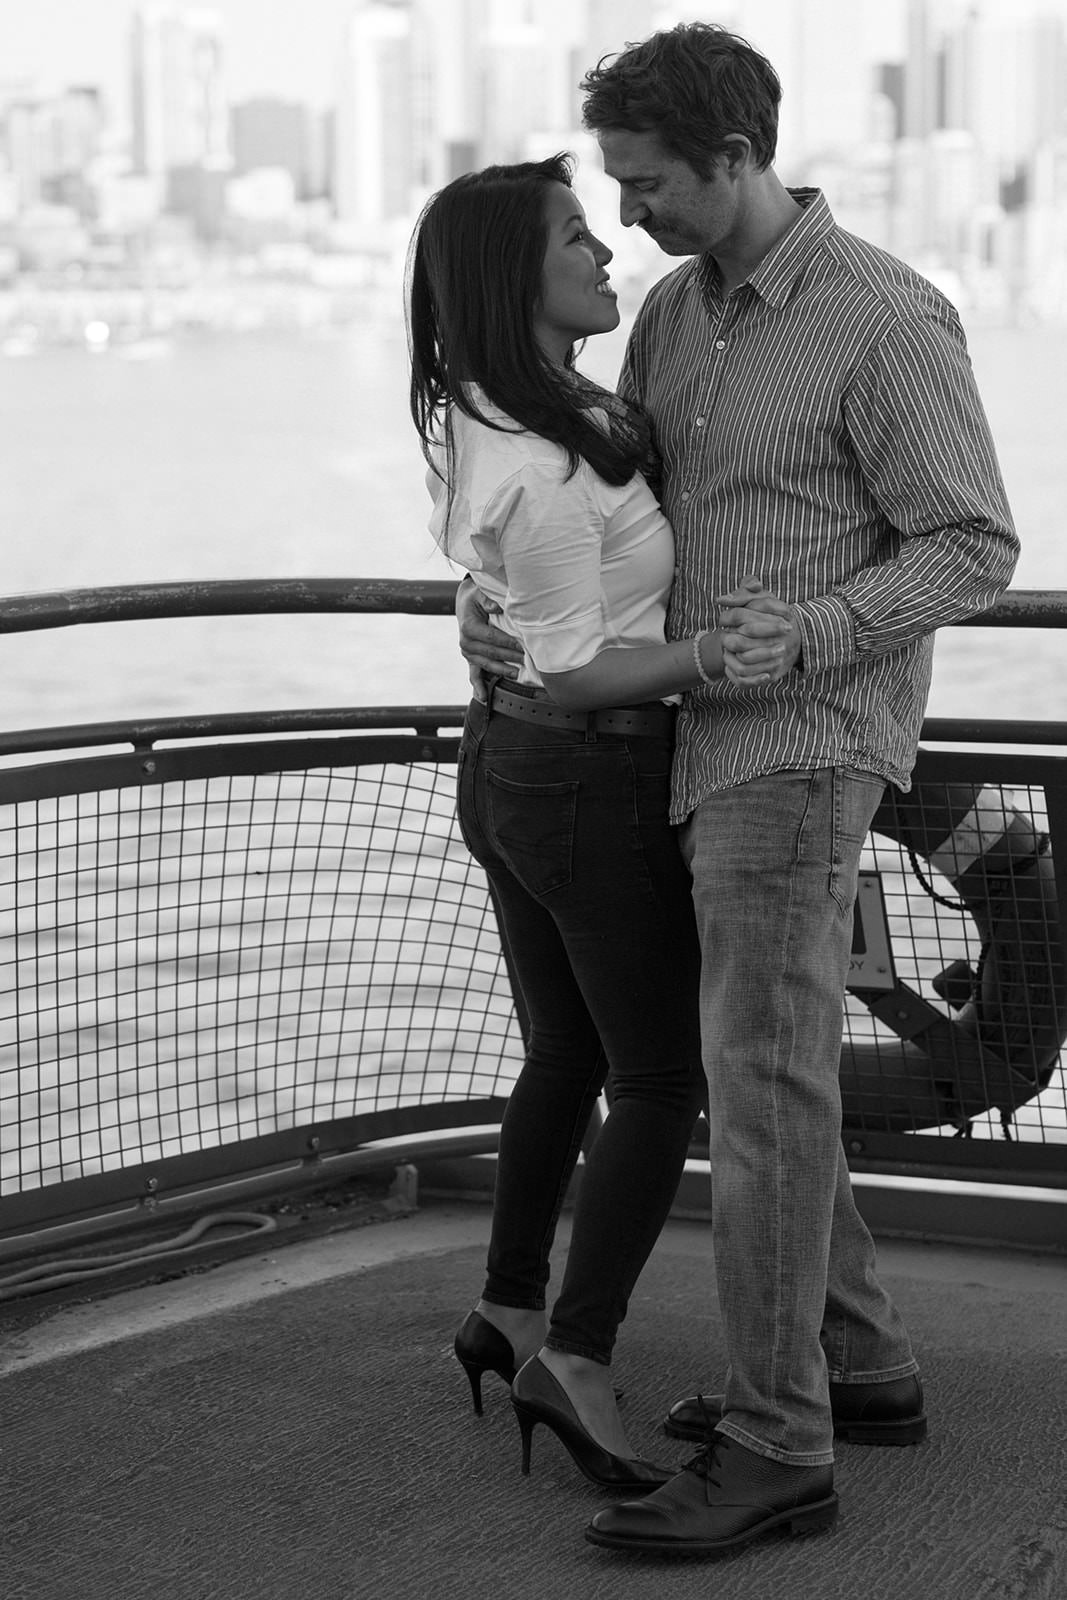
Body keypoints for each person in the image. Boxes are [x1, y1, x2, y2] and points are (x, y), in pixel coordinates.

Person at [456, 23, 1020, 1558]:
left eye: (647, 183)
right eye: (616, 187)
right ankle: (863, 1365)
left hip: (804, 744)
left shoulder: (882, 316)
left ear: (733, 155)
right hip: (688, 745)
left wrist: (815, 630)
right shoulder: (673, 316)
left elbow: (974, 542)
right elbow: (613, 511)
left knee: (759, 1092)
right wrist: (500, 605)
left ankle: (782, 1443)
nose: (627, 212)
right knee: (761, 1077)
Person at [406, 153, 791, 1494]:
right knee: (661, 1081)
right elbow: (575, 667)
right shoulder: (548, 462)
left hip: (509, 766)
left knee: (564, 1054)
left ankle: (509, 1308)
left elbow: (507, 592)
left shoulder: (491, 411)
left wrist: (491, 611)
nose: (605, 248)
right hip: (582, 771)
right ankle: (574, 1357)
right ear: (517, 276)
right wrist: (717, 655)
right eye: (577, 235)